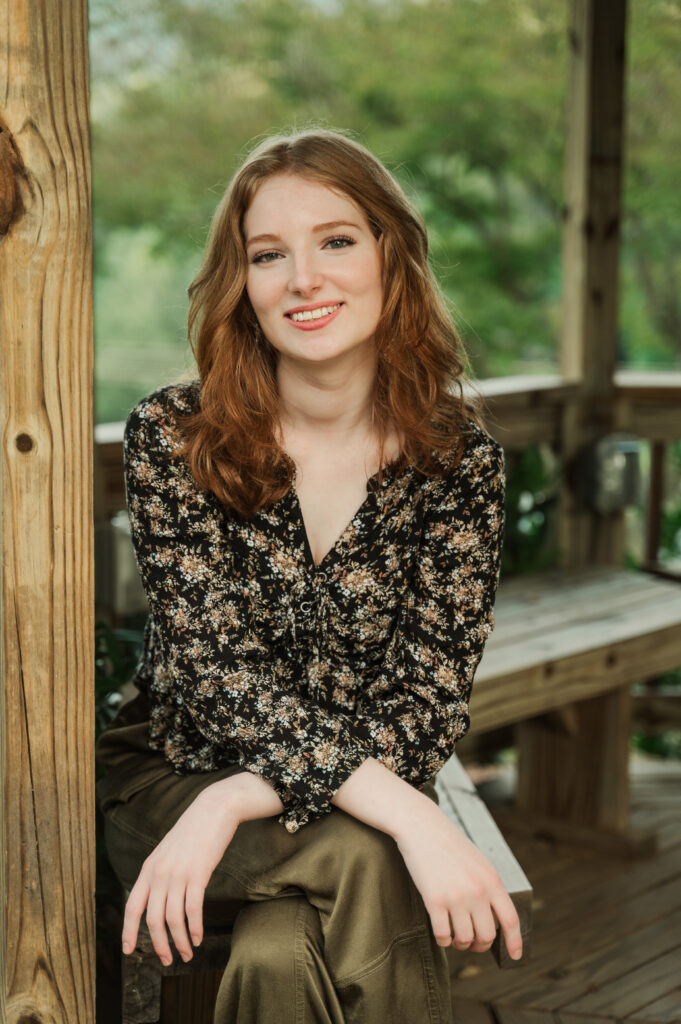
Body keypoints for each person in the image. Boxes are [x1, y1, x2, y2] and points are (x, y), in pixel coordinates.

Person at [95, 125, 522, 1024]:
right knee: (371, 855)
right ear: (240, 286)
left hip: (266, 801)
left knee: (281, 952)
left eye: (335, 240)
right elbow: (219, 681)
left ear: (389, 255)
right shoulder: (173, 436)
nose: (304, 280)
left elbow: (426, 703)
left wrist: (239, 801)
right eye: (268, 255)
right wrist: (414, 818)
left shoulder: (457, 462)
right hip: (168, 777)